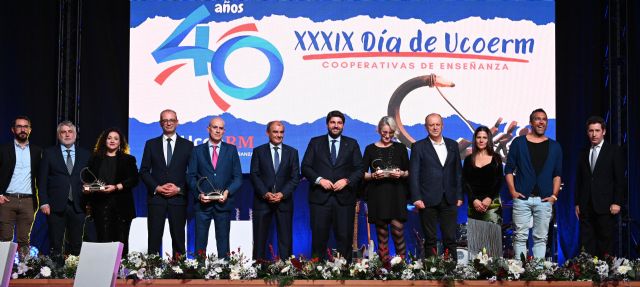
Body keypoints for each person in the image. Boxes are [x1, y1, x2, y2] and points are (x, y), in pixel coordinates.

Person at [301, 110, 363, 261]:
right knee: (318, 238)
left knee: (345, 237)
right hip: (320, 200)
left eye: (339, 123)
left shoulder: (352, 143)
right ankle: (316, 273)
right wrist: (319, 179)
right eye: (333, 122)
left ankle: (346, 275)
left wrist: (347, 181)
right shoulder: (315, 142)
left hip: (344, 200)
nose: (336, 126)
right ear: (327, 124)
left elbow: (359, 169)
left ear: (343, 126)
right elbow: (305, 167)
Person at [505, 108, 562, 259]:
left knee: (541, 239)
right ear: (531, 122)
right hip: (522, 199)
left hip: (544, 200)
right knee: (520, 237)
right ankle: (519, 272)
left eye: (544, 119)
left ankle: (537, 273)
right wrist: (513, 192)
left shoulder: (555, 146)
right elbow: (509, 169)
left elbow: (557, 174)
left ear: (547, 123)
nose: (541, 121)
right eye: (537, 118)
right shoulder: (518, 143)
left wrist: (554, 196)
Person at [140, 109, 193, 256]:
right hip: (156, 199)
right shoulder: (151, 144)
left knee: (178, 239)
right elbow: (144, 171)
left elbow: (192, 173)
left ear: (177, 122)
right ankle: (153, 272)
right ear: (160, 123)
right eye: (165, 120)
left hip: (178, 199)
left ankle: (178, 272)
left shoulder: (188, 145)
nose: (168, 123)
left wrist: (179, 189)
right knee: (154, 239)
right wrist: (156, 187)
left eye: (171, 120)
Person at [409, 113, 463, 258]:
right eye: (431, 125)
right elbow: (414, 174)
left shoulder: (453, 145)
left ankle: (451, 270)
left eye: (437, 124)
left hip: (449, 198)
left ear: (442, 125)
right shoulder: (418, 146)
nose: (435, 127)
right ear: (426, 127)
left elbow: (458, 172)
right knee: (430, 239)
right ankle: (432, 274)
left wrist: (459, 195)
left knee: (450, 239)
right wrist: (416, 198)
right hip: (427, 199)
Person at [187, 116, 242, 257]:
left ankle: (224, 274)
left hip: (223, 204)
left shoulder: (231, 150)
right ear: (208, 129)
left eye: (221, 128)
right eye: (215, 127)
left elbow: (238, 178)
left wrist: (227, 192)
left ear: (224, 131)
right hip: (202, 205)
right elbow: (190, 176)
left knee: (223, 243)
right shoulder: (197, 150)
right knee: (200, 242)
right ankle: (198, 274)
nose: (218, 130)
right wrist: (198, 195)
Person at [575, 116, 625, 257]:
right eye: (591, 131)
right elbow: (580, 179)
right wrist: (577, 202)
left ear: (604, 132)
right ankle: (587, 273)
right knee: (586, 242)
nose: (594, 134)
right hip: (586, 205)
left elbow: (619, 179)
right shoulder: (583, 152)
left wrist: (617, 202)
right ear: (587, 132)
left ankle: (606, 274)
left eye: (597, 130)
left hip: (606, 205)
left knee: (605, 242)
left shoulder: (614, 151)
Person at [39, 121, 90, 257]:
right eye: (63, 132)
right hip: (55, 205)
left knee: (77, 243)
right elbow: (42, 180)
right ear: (58, 135)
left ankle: (74, 274)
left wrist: (89, 201)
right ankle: (56, 274)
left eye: (70, 131)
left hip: (78, 205)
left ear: (75, 134)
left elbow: (89, 180)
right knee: (55, 244)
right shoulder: (49, 153)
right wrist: (44, 202)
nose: (67, 134)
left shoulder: (85, 154)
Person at [250, 121, 300, 260]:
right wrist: (265, 193)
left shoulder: (292, 152)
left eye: (281, 132)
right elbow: (254, 175)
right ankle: (258, 270)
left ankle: (286, 269)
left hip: (284, 202)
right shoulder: (258, 151)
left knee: (285, 239)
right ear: (268, 133)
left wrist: (282, 194)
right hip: (262, 202)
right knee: (259, 239)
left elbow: (295, 177)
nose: (279, 135)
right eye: (275, 132)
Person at [84, 127, 139, 254]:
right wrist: (88, 188)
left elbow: (134, 179)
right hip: (100, 206)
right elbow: (88, 180)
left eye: (116, 138)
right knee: (103, 242)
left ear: (120, 142)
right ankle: (105, 272)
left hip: (122, 207)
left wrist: (116, 186)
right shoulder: (95, 159)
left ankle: (121, 272)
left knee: (121, 242)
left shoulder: (128, 159)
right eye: (109, 138)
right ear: (104, 141)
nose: (112, 141)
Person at [361, 116, 409, 261]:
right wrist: (373, 176)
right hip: (378, 195)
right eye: (384, 132)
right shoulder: (370, 149)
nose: (387, 136)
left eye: (390, 132)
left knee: (398, 231)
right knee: (382, 236)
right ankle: (385, 269)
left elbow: (408, 172)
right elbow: (362, 174)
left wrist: (400, 173)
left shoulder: (400, 148)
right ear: (379, 130)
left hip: (397, 195)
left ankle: (402, 268)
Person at [0, 116, 42, 255]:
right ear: (13, 129)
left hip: (28, 201)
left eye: (26, 126)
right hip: (7, 200)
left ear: (30, 130)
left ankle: (24, 272)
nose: (22, 129)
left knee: (24, 240)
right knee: (5, 238)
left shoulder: (37, 151)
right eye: (19, 126)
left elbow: (40, 177)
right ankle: (2, 272)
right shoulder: (4, 149)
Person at [462, 126, 504, 257]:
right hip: (473, 205)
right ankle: (477, 274)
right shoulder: (469, 159)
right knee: (476, 243)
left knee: (492, 242)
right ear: (475, 139)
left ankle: (494, 273)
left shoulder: (496, 158)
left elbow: (498, 181)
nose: (481, 140)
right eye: (478, 137)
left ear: (489, 140)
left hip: (492, 205)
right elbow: (465, 182)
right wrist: (473, 200)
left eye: (484, 137)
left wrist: (488, 198)